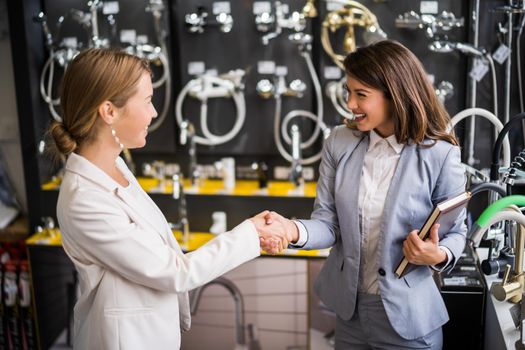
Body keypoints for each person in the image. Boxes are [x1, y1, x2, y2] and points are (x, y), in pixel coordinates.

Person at [48, 48, 286, 349]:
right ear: (109, 111)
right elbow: (175, 271)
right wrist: (251, 234)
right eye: (147, 101)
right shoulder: (84, 200)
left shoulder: (115, 166)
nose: (154, 112)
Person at [265, 40, 466, 349]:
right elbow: (328, 225)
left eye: (361, 94)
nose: (350, 103)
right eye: (348, 91)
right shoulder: (339, 143)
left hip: (409, 321)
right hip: (351, 314)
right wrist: (292, 229)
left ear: (395, 95)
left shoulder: (440, 155)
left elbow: (456, 232)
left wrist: (437, 255)